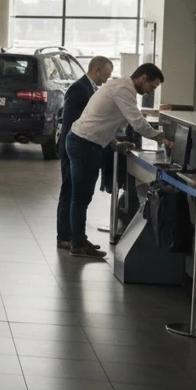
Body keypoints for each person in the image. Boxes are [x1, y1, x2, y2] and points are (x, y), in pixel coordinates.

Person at [65, 63, 173, 258]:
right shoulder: (123, 89)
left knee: (81, 197)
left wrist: (114, 143)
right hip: (84, 144)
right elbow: (137, 122)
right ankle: (78, 244)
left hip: (86, 142)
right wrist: (161, 138)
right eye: (152, 86)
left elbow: (103, 120)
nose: (151, 91)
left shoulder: (120, 86)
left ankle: (78, 240)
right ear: (143, 78)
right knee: (80, 198)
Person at [56, 56, 113, 251]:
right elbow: (72, 122)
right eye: (106, 74)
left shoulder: (90, 88)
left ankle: (75, 236)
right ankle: (64, 236)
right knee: (69, 191)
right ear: (96, 71)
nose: (108, 78)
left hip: (77, 147)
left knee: (75, 192)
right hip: (72, 147)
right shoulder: (79, 89)